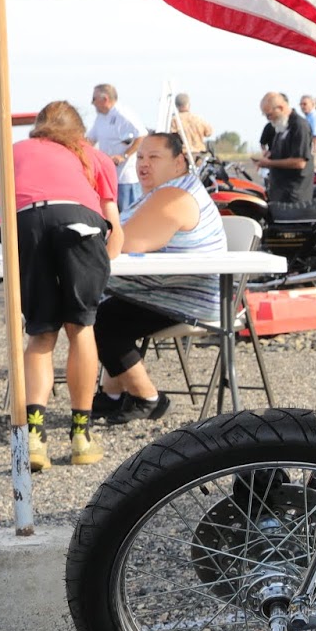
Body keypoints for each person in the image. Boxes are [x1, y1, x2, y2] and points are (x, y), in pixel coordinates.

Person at [0, 100, 123, 470]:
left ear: (37, 128)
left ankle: (33, 437)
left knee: (41, 332)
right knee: (81, 327)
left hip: (25, 225)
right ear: (79, 132)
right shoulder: (91, 155)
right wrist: (102, 264)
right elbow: (114, 229)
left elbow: (6, 213)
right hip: (79, 223)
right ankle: (81, 436)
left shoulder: (10, 152)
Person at [93, 132, 229, 424]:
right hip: (168, 289)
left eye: (154, 157)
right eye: (141, 157)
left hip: (188, 297)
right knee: (102, 308)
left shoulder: (175, 195)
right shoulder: (165, 190)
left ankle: (148, 398)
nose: (144, 164)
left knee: (99, 317)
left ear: (179, 161)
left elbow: (125, 243)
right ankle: (112, 395)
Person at [87, 83, 147, 213]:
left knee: (128, 216)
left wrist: (124, 155)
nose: (92, 103)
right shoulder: (101, 118)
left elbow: (142, 135)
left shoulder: (123, 115)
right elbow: (90, 140)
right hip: (108, 177)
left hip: (125, 178)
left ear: (105, 99)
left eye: (94, 99)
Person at [255, 92, 314, 209]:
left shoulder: (299, 126)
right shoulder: (280, 126)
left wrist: (269, 163)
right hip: (280, 191)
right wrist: (269, 156)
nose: (268, 119)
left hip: (293, 195)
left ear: (281, 108)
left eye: (269, 115)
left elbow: (299, 162)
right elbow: (282, 153)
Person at [168, 92, 214, 160]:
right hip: (199, 155)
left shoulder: (173, 120)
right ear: (188, 104)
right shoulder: (198, 119)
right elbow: (209, 132)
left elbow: (170, 138)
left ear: (176, 105)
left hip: (183, 156)